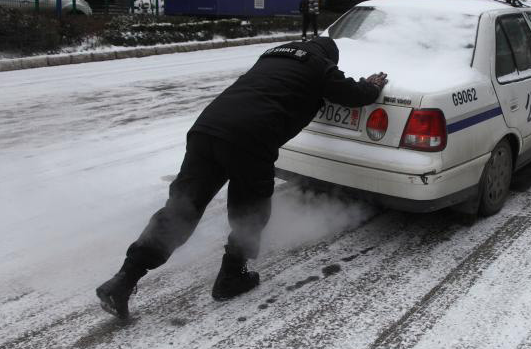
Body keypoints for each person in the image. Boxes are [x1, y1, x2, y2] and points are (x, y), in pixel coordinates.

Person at [96, 37, 388, 319]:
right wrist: (371, 85)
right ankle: (232, 276)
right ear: (329, 57)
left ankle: (123, 279)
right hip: (250, 137)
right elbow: (353, 94)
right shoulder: (319, 64)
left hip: (206, 129)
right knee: (251, 210)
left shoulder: (272, 55)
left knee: (181, 209)